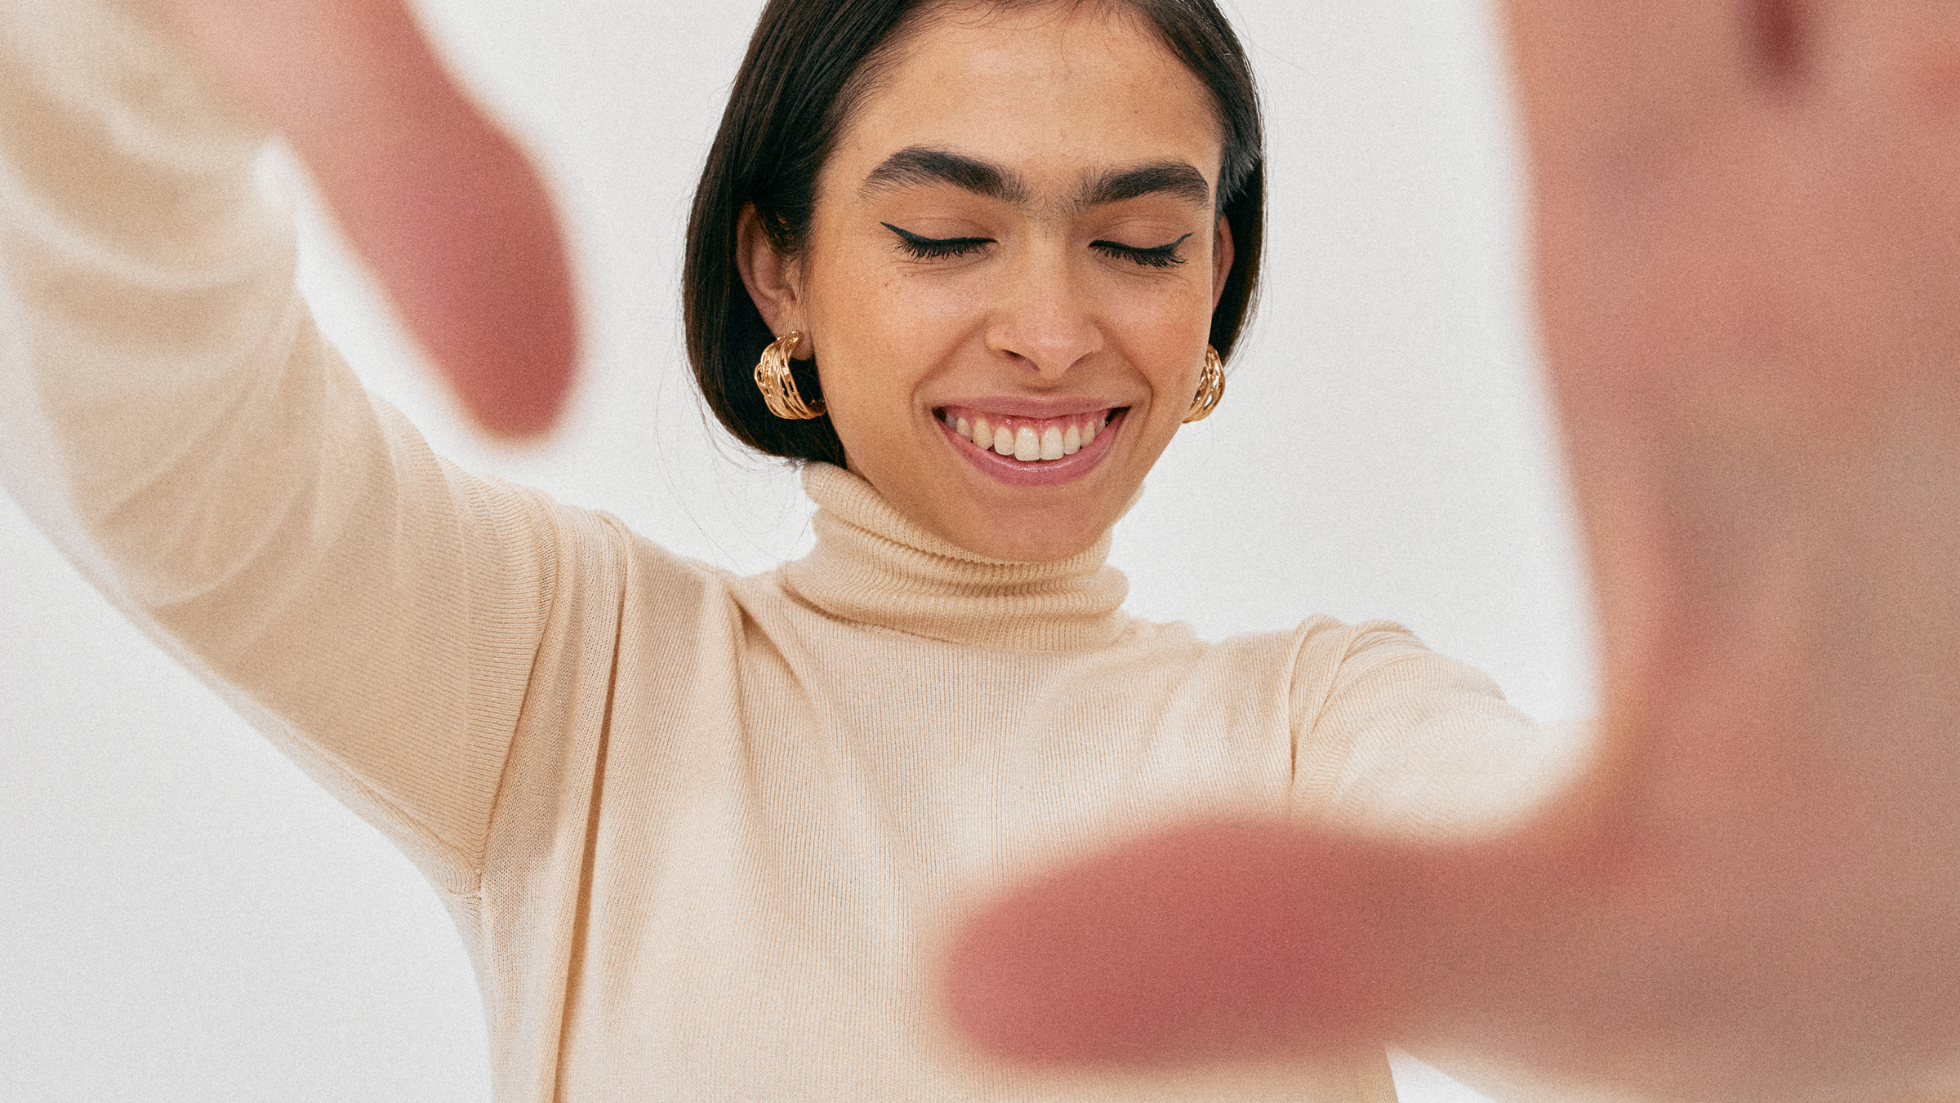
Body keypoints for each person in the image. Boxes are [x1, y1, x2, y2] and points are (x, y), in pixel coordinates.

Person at [3, 2, 1958, 1103]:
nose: (1047, 325)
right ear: (779, 264)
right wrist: (121, 82)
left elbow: (1609, 912)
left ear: (1211, 310)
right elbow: (184, 468)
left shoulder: (1312, 725)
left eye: (1134, 239)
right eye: (944, 233)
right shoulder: (573, 679)